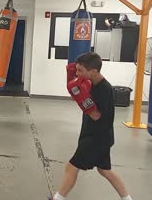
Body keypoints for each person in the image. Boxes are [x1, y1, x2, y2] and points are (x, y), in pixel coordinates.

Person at [52, 52, 132, 200]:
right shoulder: (90, 83)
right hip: (98, 135)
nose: (77, 74)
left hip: (96, 138)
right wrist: (76, 90)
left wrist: (82, 99)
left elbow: (96, 115)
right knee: (105, 170)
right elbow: (78, 93)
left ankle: (57, 198)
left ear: (93, 71)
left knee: (71, 167)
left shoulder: (104, 89)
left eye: (80, 71)